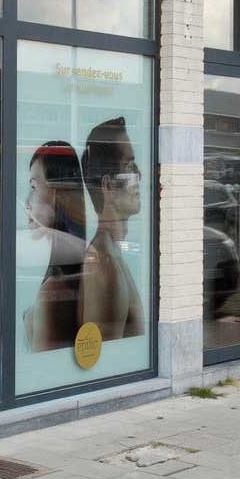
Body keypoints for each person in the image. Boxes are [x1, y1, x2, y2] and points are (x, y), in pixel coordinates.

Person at [81, 117, 145, 340]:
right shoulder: (105, 266)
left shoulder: (111, 256)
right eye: (129, 166)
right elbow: (106, 351)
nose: (139, 175)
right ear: (107, 186)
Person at [23, 141, 88, 351]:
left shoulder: (55, 290)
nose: (26, 202)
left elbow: (44, 366)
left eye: (33, 187)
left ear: (56, 193)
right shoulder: (79, 262)